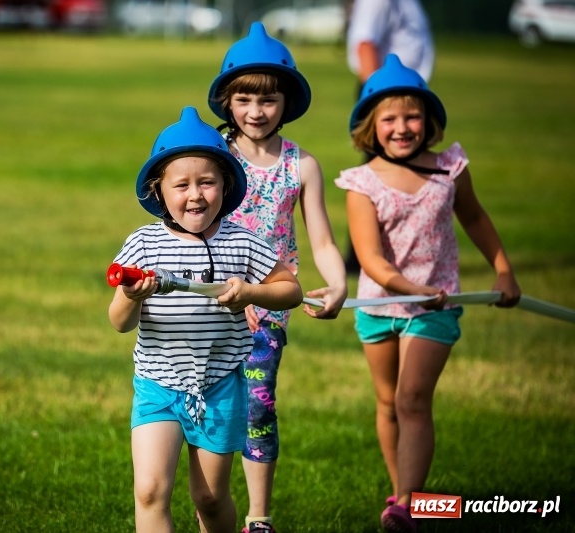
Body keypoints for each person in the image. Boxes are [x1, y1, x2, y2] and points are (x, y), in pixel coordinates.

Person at [335, 54, 522, 532]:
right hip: (379, 306)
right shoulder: (361, 184)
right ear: (371, 126)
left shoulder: (449, 170)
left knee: (412, 399)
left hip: (435, 307)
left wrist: (503, 270)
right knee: (386, 402)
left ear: (429, 120)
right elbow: (372, 260)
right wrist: (410, 287)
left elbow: (476, 219)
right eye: (390, 119)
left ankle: (406, 505)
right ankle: (402, 496)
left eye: (412, 116)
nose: (402, 127)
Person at [108, 106, 304, 533]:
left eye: (207, 182)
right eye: (182, 185)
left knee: (210, 499)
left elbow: (291, 289)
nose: (195, 195)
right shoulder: (143, 243)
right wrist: (130, 295)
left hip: (218, 386)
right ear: (159, 192)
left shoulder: (242, 242)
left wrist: (251, 292)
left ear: (226, 185)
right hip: (157, 385)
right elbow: (120, 322)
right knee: (149, 492)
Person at [207, 22, 348, 533]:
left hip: (268, 309)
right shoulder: (212, 158)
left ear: (286, 102)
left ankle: (259, 519)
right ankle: (212, 504)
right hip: (207, 307)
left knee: (258, 408)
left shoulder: (301, 165)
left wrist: (338, 285)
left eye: (268, 100)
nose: (256, 111)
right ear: (227, 100)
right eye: (244, 98)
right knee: (209, 412)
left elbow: (324, 242)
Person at [343, 0, 435, 274]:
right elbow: (365, 44)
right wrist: (378, 99)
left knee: (398, 175)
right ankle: (360, 258)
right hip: (387, 96)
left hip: (403, 95)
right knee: (377, 177)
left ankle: (389, 254)